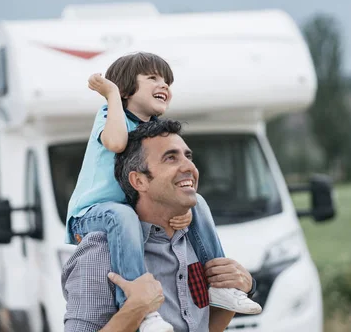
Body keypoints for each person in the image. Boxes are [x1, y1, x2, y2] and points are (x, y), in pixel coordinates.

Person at [64, 52, 261, 332]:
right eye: (170, 158)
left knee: (198, 204)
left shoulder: (187, 241)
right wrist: (136, 308)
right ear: (138, 180)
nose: (188, 167)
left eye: (188, 156)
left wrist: (238, 286)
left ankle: (222, 288)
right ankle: (136, 302)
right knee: (121, 216)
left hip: (122, 214)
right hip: (91, 214)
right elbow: (118, 143)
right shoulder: (99, 254)